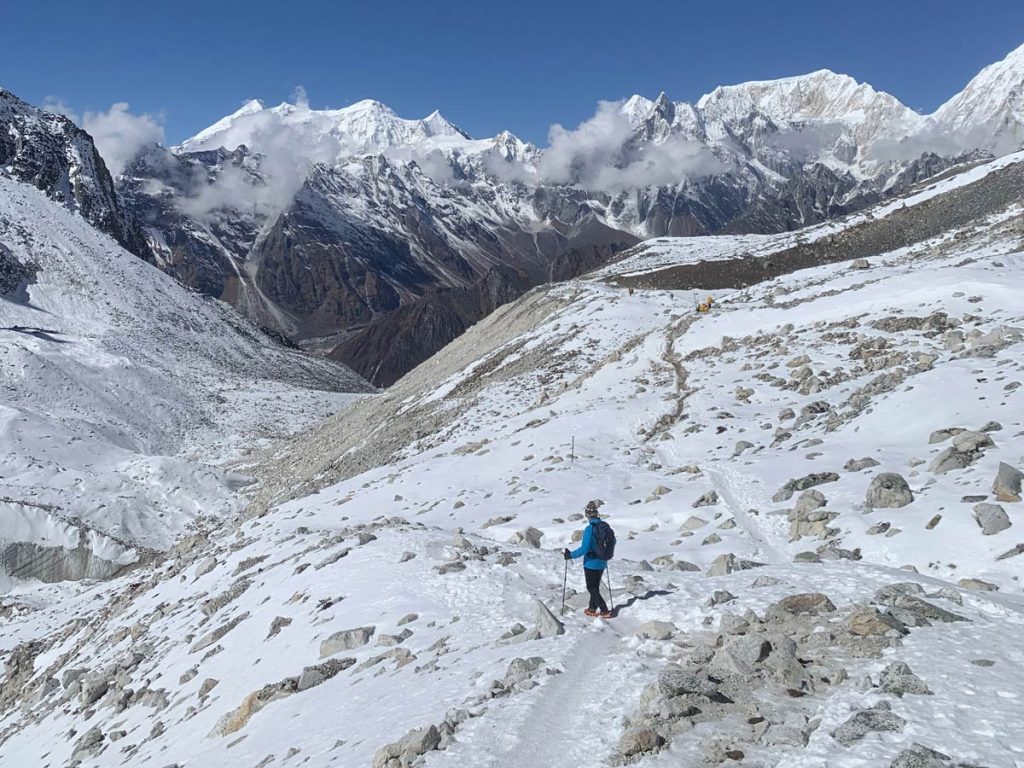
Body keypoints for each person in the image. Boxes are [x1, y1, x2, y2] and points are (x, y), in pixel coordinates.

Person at [563, 501, 611, 618]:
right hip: (602, 562)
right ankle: (592, 608)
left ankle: (604, 610)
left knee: (591, 587)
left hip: (591, 563)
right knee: (595, 587)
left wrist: (570, 555)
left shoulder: (589, 529)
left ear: (588, 515)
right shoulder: (605, 526)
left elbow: (585, 548)